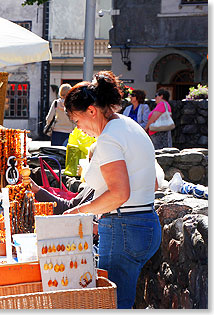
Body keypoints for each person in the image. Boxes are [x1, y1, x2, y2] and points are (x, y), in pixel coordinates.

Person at [61, 71, 161, 309]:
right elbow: (152, 184)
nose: (78, 129)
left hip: (124, 228)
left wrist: (80, 212)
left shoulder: (108, 137)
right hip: (145, 223)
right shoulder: (129, 126)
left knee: (113, 306)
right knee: (121, 302)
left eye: (77, 121)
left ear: (92, 111)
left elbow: (119, 194)